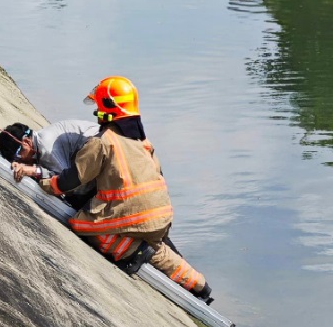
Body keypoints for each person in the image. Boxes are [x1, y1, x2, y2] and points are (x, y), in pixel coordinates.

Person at [38, 76, 213, 303]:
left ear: (107, 109)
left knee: (81, 223)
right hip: (162, 219)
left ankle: (131, 253)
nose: (96, 113)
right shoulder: (144, 144)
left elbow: (72, 180)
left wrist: (44, 183)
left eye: (99, 107)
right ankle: (200, 286)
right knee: (158, 251)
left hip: (137, 219)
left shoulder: (102, 142)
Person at [0, 120, 99, 209]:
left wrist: (34, 171)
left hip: (102, 159)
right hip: (98, 151)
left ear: (26, 142)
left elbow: (66, 183)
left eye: (18, 158)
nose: (20, 163)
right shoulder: (41, 138)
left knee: (76, 202)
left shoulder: (45, 148)